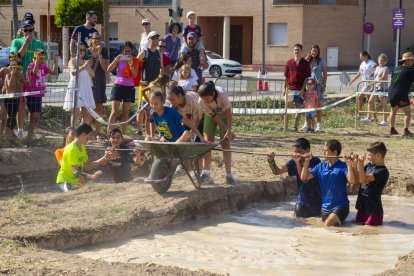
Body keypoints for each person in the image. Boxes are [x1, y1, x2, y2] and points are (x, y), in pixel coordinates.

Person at [301, 139, 357, 226]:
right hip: (325, 208)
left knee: (328, 225)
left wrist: (349, 164)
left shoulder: (343, 166)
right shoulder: (320, 166)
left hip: (341, 206)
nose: (323, 153)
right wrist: (307, 162)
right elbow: (304, 179)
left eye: (326, 151)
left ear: (334, 152)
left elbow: (352, 181)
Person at [267, 138, 322, 218]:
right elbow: (277, 171)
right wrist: (271, 160)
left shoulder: (316, 161)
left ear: (308, 150)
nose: (297, 154)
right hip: (302, 201)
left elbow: (304, 179)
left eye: (299, 152)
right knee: (298, 222)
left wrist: (298, 163)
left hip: (316, 201)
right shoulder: (294, 162)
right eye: (295, 152)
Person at [11, 19, 47, 139]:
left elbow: (44, 61)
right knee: (21, 105)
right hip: (20, 78)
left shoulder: (39, 43)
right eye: (25, 29)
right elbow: (14, 60)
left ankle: (31, 134)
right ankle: (20, 130)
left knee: (34, 112)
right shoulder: (16, 41)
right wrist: (25, 44)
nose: (28, 32)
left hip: (34, 81)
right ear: (22, 30)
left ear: (33, 30)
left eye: (30, 29)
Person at [56, 123, 115, 193]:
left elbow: (88, 166)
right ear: (83, 134)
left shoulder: (82, 147)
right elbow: (75, 172)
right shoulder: (72, 149)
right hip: (64, 182)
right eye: (89, 135)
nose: (90, 138)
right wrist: (91, 176)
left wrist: (105, 158)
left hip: (74, 183)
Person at [198, 81, 236, 185]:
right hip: (211, 116)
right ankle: (206, 173)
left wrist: (229, 130)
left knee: (226, 144)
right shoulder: (201, 101)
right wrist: (227, 130)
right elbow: (214, 116)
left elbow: (229, 112)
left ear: (213, 94)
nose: (205, 101)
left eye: (207, 99)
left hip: (225, 115)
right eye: (203, 99)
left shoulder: (222, 94)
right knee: (208, 144)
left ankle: (228, 174)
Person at [25, 49, 58, 142]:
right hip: (31, 95)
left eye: (43, 58)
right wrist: (37, 60)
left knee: (36, 118)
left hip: (39, 95)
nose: (42, 60)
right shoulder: (30, 66)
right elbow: (34, 72)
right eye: (40, 58)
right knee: (33, 117)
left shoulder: (44, 67)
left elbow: (54, 72)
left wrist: (55, 60)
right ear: (35, 58)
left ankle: (32, 136)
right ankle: (29, 140)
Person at [107, 41, 139, 135]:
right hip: (118, 86)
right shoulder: (119, 58)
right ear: (122, 51)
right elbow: (109, 69)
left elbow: (135, 75)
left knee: (125, 113)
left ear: (132, 51)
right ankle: (109, 133)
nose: (127, 53)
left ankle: (123, 135)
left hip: (129, 87)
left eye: (129, 51)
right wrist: (116, 60)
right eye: (125, 51)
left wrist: (131, 65)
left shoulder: (134, 60)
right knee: (114, 112)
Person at [354, 141, 389, 226]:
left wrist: (361, 163)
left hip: (373, 212)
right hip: (362, 208)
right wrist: (354, 163)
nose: (367, 157)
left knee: (368, 234)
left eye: (369, 155)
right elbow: (358, 178)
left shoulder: (382, 171)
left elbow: (363, 180)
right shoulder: (369, 165)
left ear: (378, 156)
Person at [63, 44, 95, 127]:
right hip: (76, 89)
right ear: (75, 50)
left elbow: (92, 74)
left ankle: (83, 134)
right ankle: (73, 133)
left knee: (87, 115)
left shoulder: (85, 62)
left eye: (84, 50)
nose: (82, 52)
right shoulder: (72, 61)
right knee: (75, 114)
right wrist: (83, 67)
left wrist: (87, 66)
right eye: (80, 50)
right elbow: (73, 72)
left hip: (86, 89)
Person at [1, 54, 30, 146]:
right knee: (6, 119)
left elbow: (27, 84)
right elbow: (8, 86)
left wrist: (29, 74)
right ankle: (4, 139)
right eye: (15, 59)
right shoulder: (4, 70)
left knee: (12, 120)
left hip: (16, 99)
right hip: (6, 98)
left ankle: (6, 139)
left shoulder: (20, 73)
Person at [282, 43, 310, 132]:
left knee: (298, 109)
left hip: (300, 90)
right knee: (288, 108)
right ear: (293, 51)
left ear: (301, 51)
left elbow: (307, 77)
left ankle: (295, 127)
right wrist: (284, 88)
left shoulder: (305, 63)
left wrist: (302, 89)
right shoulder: (289, 62)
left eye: (298, 50)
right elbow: (285, 76)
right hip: (290, 89)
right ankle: (285, 126)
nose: (296, 51)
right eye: (295, 50)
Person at [88, 32, 109, 139]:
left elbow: (105, 68)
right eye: (94, 39)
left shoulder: (104, 50)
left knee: (99, 106)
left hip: (100, 80)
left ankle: (97, 132)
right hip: (89, 81)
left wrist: (100, 54)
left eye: (98, 39)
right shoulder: (86, 51)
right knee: (88, 107)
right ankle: (88, 131)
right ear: (91, 39)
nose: (96, 41)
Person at [388, 52, 414, 136]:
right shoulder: (410, 70)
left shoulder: (396, 69)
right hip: (401, 93)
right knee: (407, 112)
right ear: (408, 60)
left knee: (393, 111)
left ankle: (392, 129)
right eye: (412, 60)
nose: (413, 61)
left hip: (391, 92)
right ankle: (406, 130)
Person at [361, 53, 390, 125]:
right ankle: (369, 118)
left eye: (383, 61)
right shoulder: (377, 68)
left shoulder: (386, 68)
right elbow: (375, 73)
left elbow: (383, 77)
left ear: (385, 61)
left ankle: (385, 121)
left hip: (382, 88)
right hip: (375, 87)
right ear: (378, 60)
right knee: (370, 101)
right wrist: (372, 74)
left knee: (383, 104)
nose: (381, 62)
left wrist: (374, 81)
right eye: (380, 60)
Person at [304, 44, 327, 132]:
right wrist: (307, 58)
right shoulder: (308, 61)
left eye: (316, 51)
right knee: (308, 105)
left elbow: (325, 73)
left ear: (318, 52)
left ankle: (318, 125)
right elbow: (302, 67)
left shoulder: (321, 61)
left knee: (319, 105)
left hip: (318, 86)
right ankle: (307, 124)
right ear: (310, 51)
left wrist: (324, 85)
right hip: (309, 86)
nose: (314, 52)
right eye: (313, 51)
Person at [348, 50, 376, 120]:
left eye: (362, 57)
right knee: (369, 100)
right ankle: (374, 117)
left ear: (366, 56)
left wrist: (375, 78)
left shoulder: (372, 63)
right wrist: (351, 81)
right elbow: (359, 74)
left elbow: (378, 70)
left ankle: (359, 114)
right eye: (360, 57)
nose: (361, 58)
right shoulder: (362, 64)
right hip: (364, 84)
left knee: (360, 97)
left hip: (370, 84)